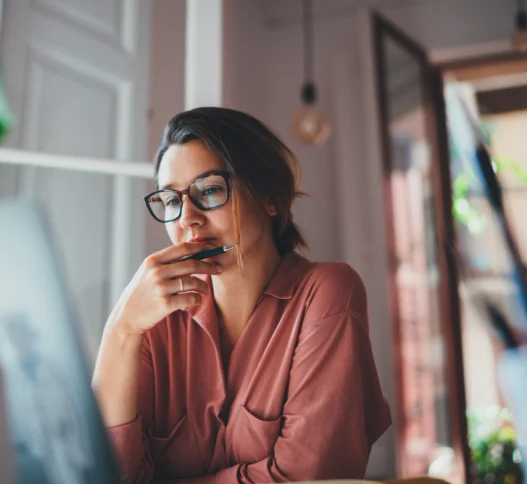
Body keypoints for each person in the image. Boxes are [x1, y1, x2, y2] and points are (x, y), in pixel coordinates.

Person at [92, 107, 391, 483]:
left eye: (210, 190)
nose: (187, 219)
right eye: (171, 201)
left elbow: (306, 477)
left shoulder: (326, 293)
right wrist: (121, 329)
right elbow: (104, 475)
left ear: (268, 197)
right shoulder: (153, 321)